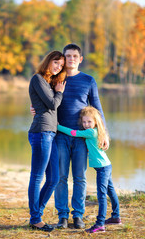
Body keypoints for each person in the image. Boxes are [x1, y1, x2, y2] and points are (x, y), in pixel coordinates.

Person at [30, 43, 109, 229]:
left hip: (83, 137)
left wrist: (104, 133)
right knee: (61, 177)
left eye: (75, 56)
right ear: (64, 60)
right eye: (68, 56)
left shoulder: (88, 80)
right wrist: (33, 108)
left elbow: (97, 107)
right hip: (59, 135)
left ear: (80, 59)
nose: (71, 59)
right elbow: (41, 97)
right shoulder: (56, 78)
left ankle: (78, 215)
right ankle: (63, 216)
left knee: (80, 177)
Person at [57, 106, 121, 233]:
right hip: (106, 165)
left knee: (101, 195)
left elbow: (73, 133)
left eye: (89, 122)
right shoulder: (97, 131)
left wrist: (58, 126)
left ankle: (100, 223)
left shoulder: (91, 132)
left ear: (96, 121)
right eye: (84, 122)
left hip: (102, 168)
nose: (86, 125)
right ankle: (116, 216)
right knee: (110, 190)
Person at [28, 51, 66, 232]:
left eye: (61, 65)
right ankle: (36, 219)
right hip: (41, 133)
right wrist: (59, 93)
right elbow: (52, 104)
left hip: (51, 134)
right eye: (56, 62)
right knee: (37, 177)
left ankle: (37, 214)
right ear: (48, 60)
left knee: (53, 178)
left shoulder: (49, 83)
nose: (58, 66)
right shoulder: (37, 79)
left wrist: (56, 91)